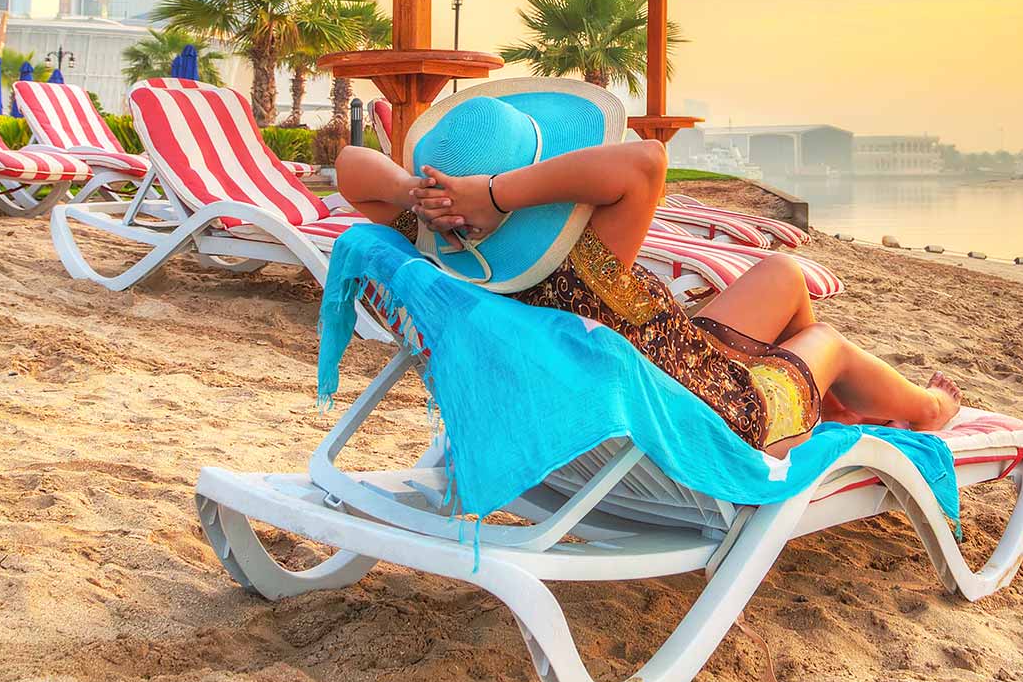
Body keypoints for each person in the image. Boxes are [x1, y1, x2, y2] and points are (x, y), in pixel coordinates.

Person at [330, 137, 960, 453]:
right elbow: (646, 161)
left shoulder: (442, 263)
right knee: (829, 342)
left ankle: (818, 402)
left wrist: (422, 194)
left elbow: (351, 168)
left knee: (784, 274)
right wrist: (493, 195)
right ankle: (926, 409)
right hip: (705, 413)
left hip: (671, 364)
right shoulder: (580, 264)